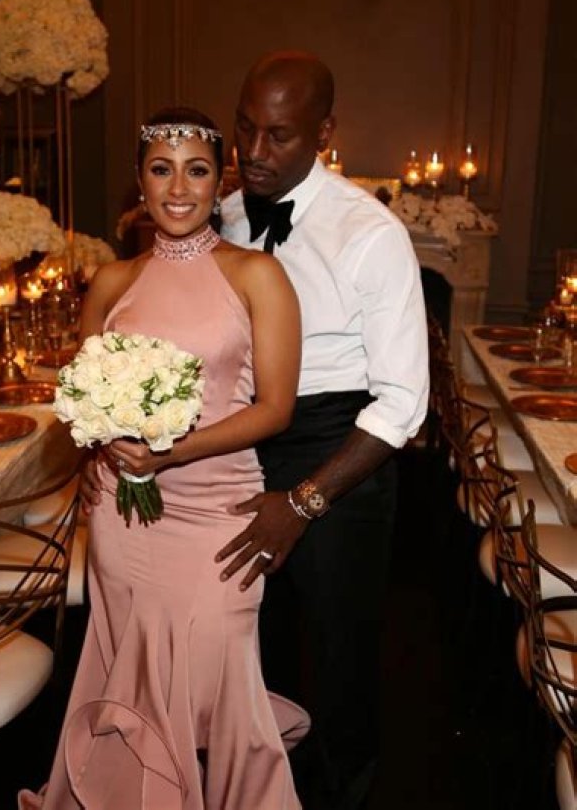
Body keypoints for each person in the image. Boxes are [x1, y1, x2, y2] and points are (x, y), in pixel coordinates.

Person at [19, 106, 308, 810]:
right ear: (139, 182)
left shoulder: (258, 275)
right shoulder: (112, 281)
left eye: (196, 170)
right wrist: (96, 454)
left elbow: (276, 408)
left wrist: (170, 453)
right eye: (161, 169)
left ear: (220, 181)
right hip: (124, 522)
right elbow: (86, 396)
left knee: (218, 669)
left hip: (219, 516)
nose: (178, 188)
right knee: (136, 675)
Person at [215, 52, 429, 810]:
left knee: (339, 657)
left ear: (324, 133)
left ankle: (344, 792)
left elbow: (402, 404)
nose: (254, 151)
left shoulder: (370, 234)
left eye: (278, 136)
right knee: (250, 642)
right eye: (245, 128)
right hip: (246, 442)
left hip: (341, 450)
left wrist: (302, 502)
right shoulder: (226, 214)